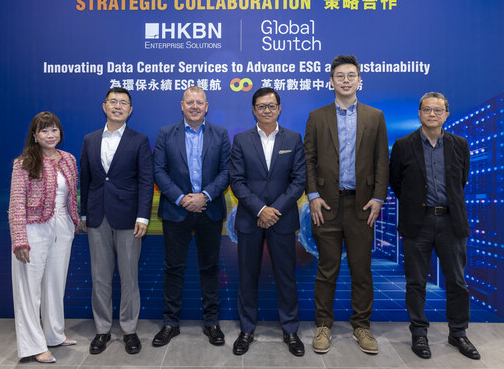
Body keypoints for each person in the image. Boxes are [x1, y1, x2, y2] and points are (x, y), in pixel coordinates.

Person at [304, 54, 389, 354]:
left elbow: (382, 161)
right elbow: (308, 160)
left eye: (351, 75)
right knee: (326, 269)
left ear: (359, 80)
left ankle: (361, 327)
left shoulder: (375, 116)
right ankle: (323, 326)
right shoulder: (317, 116)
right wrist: (313, 195)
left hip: (362, 206)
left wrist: (378, 197)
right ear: (331, 81)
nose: (345, 80)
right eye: (340, 76)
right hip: (326, 206)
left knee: (361, 270)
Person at [389, 92, 480, 360]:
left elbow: (461, 180)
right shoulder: (403, 145)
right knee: (416, 282)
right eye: (427, 109)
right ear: (419, 113)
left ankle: (458, 333)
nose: (432, 114)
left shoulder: (459, 144)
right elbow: (397, 182)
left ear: (446, 115)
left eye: (438, 110)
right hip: (418, 222)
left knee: (457, 281)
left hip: (451, 222)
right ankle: (419, 333)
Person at [229, 88, 306, 356]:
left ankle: (290, 330)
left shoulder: (293, 138)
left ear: (279, 108)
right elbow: (236, 181)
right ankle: (246, 330)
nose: (267, 110)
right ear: (254, 109)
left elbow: (299, 180)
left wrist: (274, 210)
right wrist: (261, 210)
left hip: (282, 220)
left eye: (271, 106)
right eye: (261, 106)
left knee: (286, 277)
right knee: (247, 277)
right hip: (250, 219)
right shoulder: (241, 140)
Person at [152, 86, 230, 347]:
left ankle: (212, 322)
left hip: (209, 210)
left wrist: (204, 196)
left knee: (210, 268)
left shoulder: (220, 134)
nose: (194, 106)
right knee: (173, 268)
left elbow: (226, 171)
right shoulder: (166, 133)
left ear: (206, 106)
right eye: (189, 102)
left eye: (199, 102)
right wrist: (182, 198)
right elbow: (159, 171)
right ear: (182, 105)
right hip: (176, 210)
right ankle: (170, 323)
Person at [80, 87, 154, 355]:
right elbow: (86, 178)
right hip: (97, 216)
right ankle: (102, 330)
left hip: (129, 218)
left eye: (123, 103)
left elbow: (146, 181)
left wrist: (143, 216)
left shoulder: (139, 140)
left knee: (129, 277)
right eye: (113, 102)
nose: (118, 106)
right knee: (99, 277)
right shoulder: (90, 140)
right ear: (104, 106)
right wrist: (84, 214)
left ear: (130, 110)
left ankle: (129, 330)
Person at [9, 111, 79, 364]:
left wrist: (74, 221)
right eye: (44, 130)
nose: (50, 135)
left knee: (56, 282)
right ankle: (33, 345)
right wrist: (19, 238)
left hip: (63, 225)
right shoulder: (24, 162)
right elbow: (16, 202)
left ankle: (54, 334)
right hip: (33, 227)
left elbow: (72, 195)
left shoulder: (69, 159)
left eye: (54, 130)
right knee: (29, 288)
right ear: (35, 135)